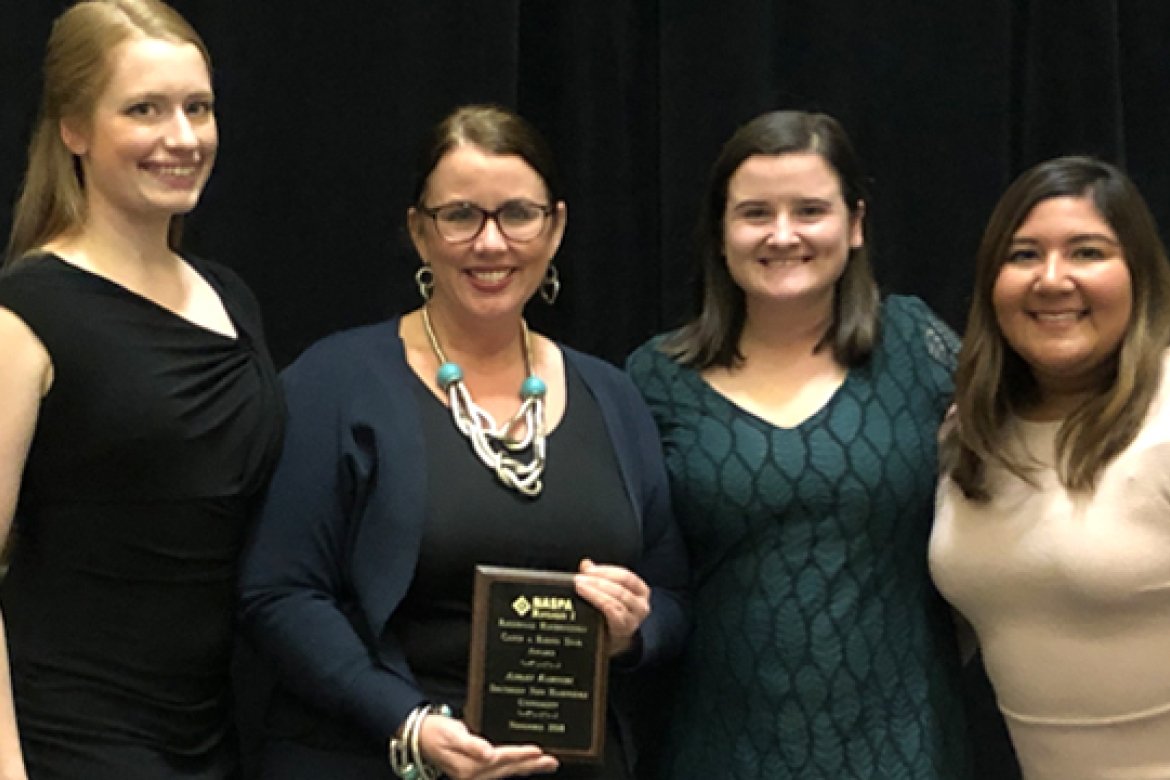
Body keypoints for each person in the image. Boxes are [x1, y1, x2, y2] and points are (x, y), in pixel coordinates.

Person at [239, 104, 688, 780]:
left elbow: (674, 596)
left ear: (556, 227)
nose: (490, 243)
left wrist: (633, 632)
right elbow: (279, 592)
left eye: (517, 214)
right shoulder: (336, 383)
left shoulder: (613, 396)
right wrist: (408, 720)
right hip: (377, 757)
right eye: (459, 216)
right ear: (420, 232)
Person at [626, 110, 973, 779]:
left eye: (810, 210)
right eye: (755, 213)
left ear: (856, 223)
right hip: (717, 749)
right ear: (721, 234)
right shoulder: (654, 378)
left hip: (907, 749)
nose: (783, 235)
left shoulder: (918, 347)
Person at [0, 1, 285, 778]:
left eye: (198, 108)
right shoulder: (25, 313)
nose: (183, 138)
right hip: (71, 734)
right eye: (145, 110)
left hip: (209, 730)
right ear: (74, 129)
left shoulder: (230, 297)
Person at [931, 156, 1170, 779]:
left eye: (1087, 252)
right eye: (1024, 255)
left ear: (1139, 274)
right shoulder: (973, 432)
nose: (1052, 279)